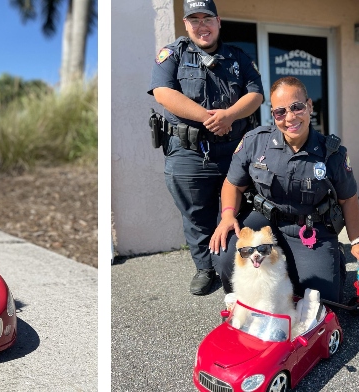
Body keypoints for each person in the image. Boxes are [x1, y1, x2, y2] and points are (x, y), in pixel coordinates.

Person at [209, 76, 359, 303]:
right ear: (273, 114)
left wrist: (357, 240)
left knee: (321, 300)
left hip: (310, 229)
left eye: (297, 107)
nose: (290, 117)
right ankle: (246, 298)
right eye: (280, 112)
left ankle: (332, 260)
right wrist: (227, 214)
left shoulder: (332, 154)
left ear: (309, 106)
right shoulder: (255, 142)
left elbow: (349, 199)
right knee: (226, 251)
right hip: (265, 221)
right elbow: (233, 184)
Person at [148, 0, 264, 295]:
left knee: (238, 209)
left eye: (207, 18)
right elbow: (163, 93)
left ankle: (236, 261)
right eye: (195, 19)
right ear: (186, 25)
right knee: (196, 215)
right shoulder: (172, 55)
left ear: (218, 21)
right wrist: (209, 118)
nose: (202, 25)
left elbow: (256, 94)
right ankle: (205, 268)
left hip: (234, 152)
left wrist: (230, 116)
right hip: (188, 152)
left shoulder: (238, 57)